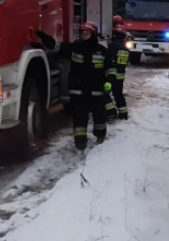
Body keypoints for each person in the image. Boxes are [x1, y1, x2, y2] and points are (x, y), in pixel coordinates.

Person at [36, 21, 113, 150]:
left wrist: (109, 81)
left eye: (87, 33)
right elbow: (57, 47)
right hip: (79, 90)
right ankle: (80, 141)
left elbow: (110, 68)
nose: (84, 35)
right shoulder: (75, 47)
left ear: (93, 34)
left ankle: (100, 136)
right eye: (82, 33)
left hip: (97, 90)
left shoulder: (102, 51)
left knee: (100, 116)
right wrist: (44, 37)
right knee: (79, 117)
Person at [105, 16, 131, 121]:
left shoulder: (112, 46)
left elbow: (109, 60)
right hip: (121, 75)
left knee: (103, 93)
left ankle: (111, 111)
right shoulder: (125, 48)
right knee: (118, 94)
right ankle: (123, 114)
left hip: (112, 75)